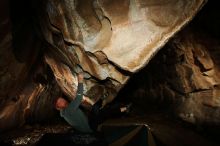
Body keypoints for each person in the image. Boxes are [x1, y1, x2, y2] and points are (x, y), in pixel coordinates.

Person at [55, 73, 132, 133]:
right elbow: (78, 98)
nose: (63, 100)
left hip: (89, 121)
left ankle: (105, 98)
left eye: (62, 99)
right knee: (104, 112)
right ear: (58, 106)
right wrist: (80, 81)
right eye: (60, 101)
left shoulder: (66, 112)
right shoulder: (67, 111)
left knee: (97, 108)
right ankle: (123, 108)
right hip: (90, 127)